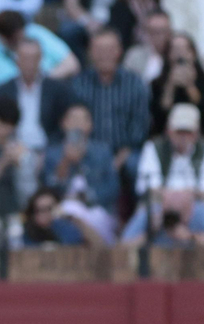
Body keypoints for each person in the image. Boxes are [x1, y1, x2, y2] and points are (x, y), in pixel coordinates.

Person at [125, 102, 204, 244]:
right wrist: (171, 200)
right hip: (160, 205)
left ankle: (195, 239)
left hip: (195, 205)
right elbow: (145, 186)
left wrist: (187, 198)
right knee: (135, 228)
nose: (183, 137)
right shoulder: (154, 147)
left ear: (197, 133)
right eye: (179, 132)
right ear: (169, 131)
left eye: (188, 132)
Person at [68, 29, 152, 181]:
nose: (104, 55)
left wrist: (118, 160)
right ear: (90, 52)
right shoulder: (78, 84)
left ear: (119, 52)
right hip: (89, 150)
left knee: (136, 165)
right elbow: (74, 124)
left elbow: (139, 127)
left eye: (109, 50)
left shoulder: (135, 83)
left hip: (126, 151)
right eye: (99, 50)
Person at [42, 102, 121, 238]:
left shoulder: (102, 151)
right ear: (64, 123)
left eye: (82, 119)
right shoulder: (53, 153)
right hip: (63, 209)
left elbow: (113, 187)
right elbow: (48, 189)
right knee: (65, 212)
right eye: (73, 119)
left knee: (94, 218)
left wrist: (87, 197)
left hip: (96, 208)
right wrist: (65, 161)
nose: (77, 124)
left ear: (90, 125)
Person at [0, 10, 78, 95]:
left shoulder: (36, 32)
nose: (22, 40)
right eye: (16, 39)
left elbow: (72, 64)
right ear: (3, 36)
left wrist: (40, 83)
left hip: (47, 99)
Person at [0, 35, 74, 152]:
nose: (29, 63)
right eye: (25, 58)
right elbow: (0, 123)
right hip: (13, 148)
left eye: (33, 58)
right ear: (17, 60)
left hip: (48, 149)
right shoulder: (4, 90)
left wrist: (51, 150)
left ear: (40, 59)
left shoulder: (57, 89)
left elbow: (63, 125)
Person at [151, 33, 204, 140]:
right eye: (175, 49)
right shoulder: (157, 82)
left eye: (184, 49)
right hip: (167, 136)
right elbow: (159, 115)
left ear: (193, 53)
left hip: (199, 134)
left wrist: (190, 85)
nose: (179, 53)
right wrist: (170, 86)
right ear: (168, 54)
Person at [19, 186, 93, 244]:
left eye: (49, 209)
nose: (45, 214)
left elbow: (72, 243)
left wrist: (58, 222)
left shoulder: (67, 226)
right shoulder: (29, 233)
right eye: (40, 210)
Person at [124, 9, 173, 83]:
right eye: (154, 32)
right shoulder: (134, 56)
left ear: (170, 32)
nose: (159, 37)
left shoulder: (177, 55)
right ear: (146, 32)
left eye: (163, 31)